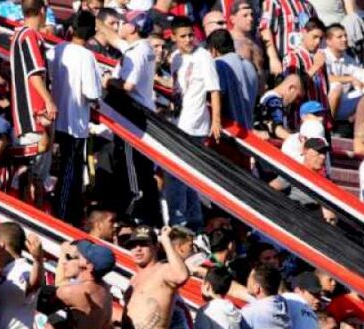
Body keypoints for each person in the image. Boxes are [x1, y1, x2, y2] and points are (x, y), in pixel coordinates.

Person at [102, 10, 160, 226]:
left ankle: (135, 214)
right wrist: (98, 20)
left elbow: (128, 85)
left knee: (132, 169)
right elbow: (116, 40)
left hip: (131, 117)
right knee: (142, 170)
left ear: (133, 27)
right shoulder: (143, 47)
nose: (119, 25)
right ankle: (149, 216)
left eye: (124, 22)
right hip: (141, 116)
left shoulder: (136, 53)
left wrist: (109, 82)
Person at [165, 16, 220, 228]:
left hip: (196, 126)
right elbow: (177, 90)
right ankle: (189, 225)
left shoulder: (204, 56)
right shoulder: (176, 58)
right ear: (174, 37)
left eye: (191, 35)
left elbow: (214, 90)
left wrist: (215, 121)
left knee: (181, 177)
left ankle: (183, 224)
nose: (189, 39)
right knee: (182, 178)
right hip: (178, 124)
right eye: (184, 36)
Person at [49, 10, 103, 224]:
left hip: (57, 121)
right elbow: (92, 93)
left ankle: (66, 216)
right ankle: (62, 219)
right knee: (69, 176)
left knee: (63, 172)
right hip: (75, 124)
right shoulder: (86, 56)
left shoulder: (56, 50)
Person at [52, 238, 115, 329]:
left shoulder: (79, 292)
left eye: (73, 257)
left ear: (88, 265)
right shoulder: (104, 290)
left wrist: (38, 259)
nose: (64, 262)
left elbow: (50, 291)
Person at [0, 223, 44, 329]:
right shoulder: (0, 271)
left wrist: (38, 260)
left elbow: (33, 284)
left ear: (0, 244)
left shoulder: (23, 269)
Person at [8, 0, 56, 149]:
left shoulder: (19, 35)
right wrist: (48, 100)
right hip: (33, 119)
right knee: (36, 169)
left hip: (31, 120)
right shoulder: (29, 35)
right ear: (42, 11)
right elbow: (34, 74)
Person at [322, 23, 364, 121]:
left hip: (342, 102)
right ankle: (328, 126)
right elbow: (325, 78)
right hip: (324, 101)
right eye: (339, 37)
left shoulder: (349, 59)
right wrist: (350, 79)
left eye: (345, 36)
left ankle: (354, 126)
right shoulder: (323, 56)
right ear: (328, 41)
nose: (344, 39)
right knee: (337, 87)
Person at [211, 28, 258, 131]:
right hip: (249, 132)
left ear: (213, 50)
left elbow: (216, 95)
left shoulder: (218, 64)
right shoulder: (250, 66)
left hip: (230, 132)